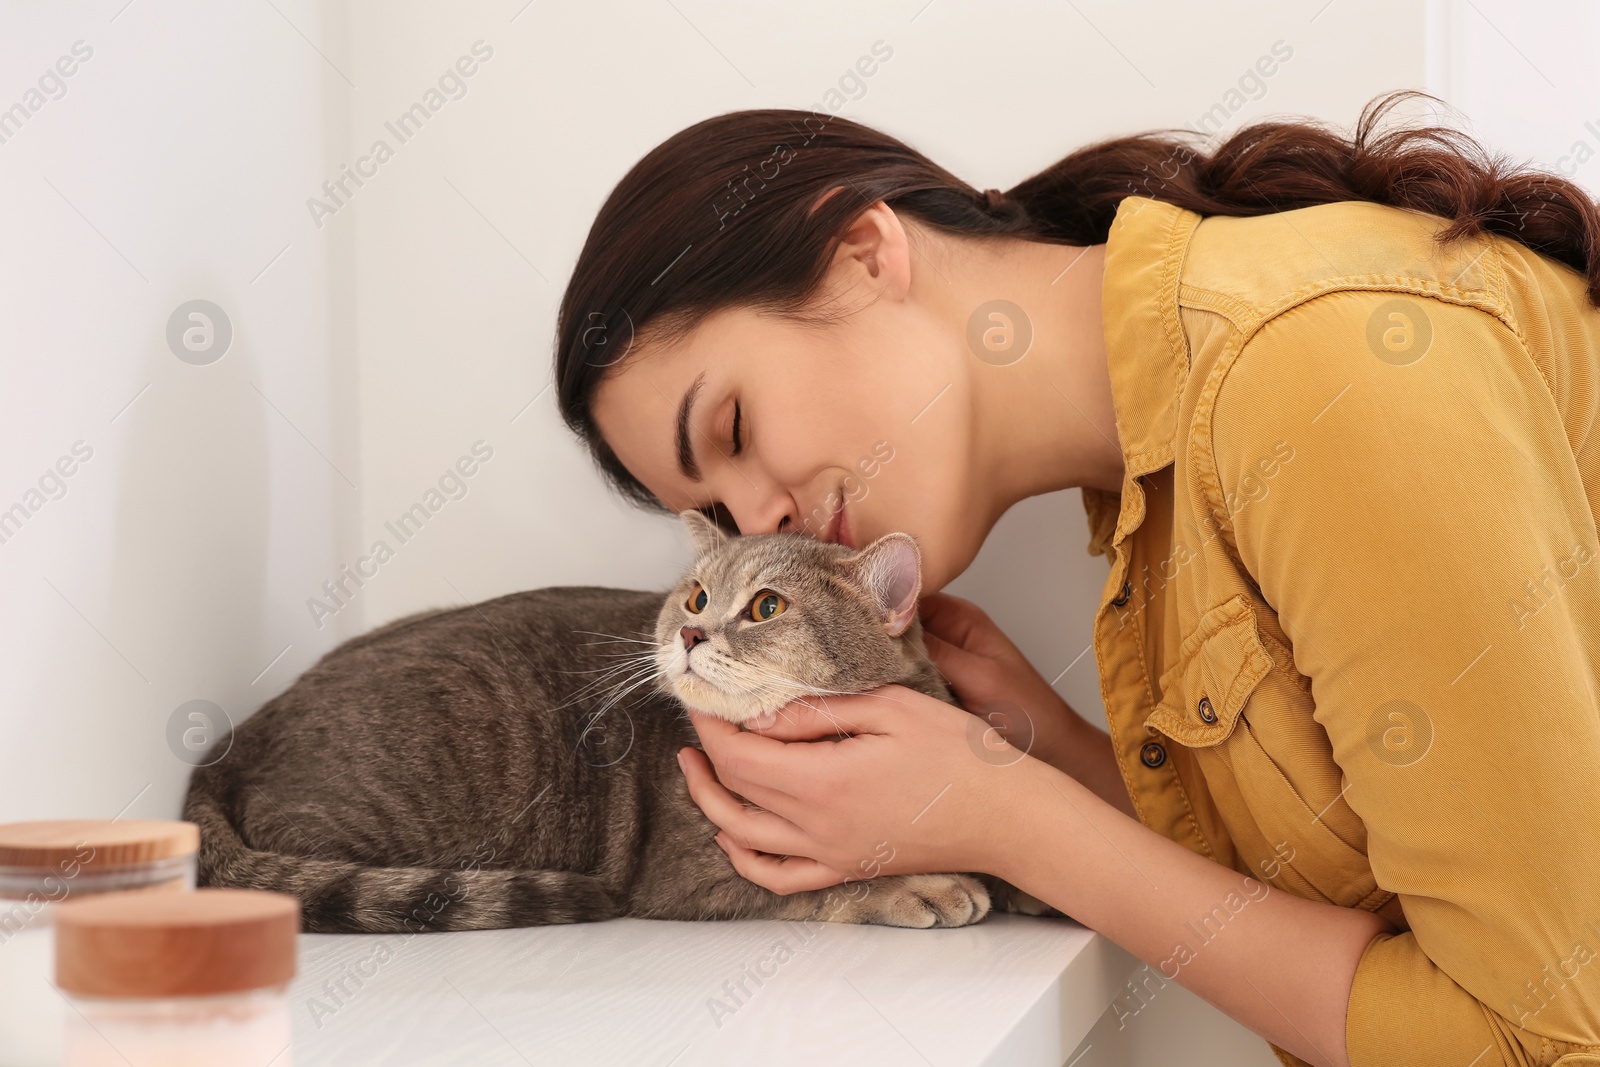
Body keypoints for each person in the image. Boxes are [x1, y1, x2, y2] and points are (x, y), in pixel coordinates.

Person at [553, 89, 1600, 1067]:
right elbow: (1382, 909)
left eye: (732, 427)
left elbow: (1531, 1037)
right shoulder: (1157, 485)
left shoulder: (1311, 365)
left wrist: (1009, 817)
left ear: (861, 251)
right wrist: (1044, 753)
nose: (763, 520)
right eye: (725, 516)